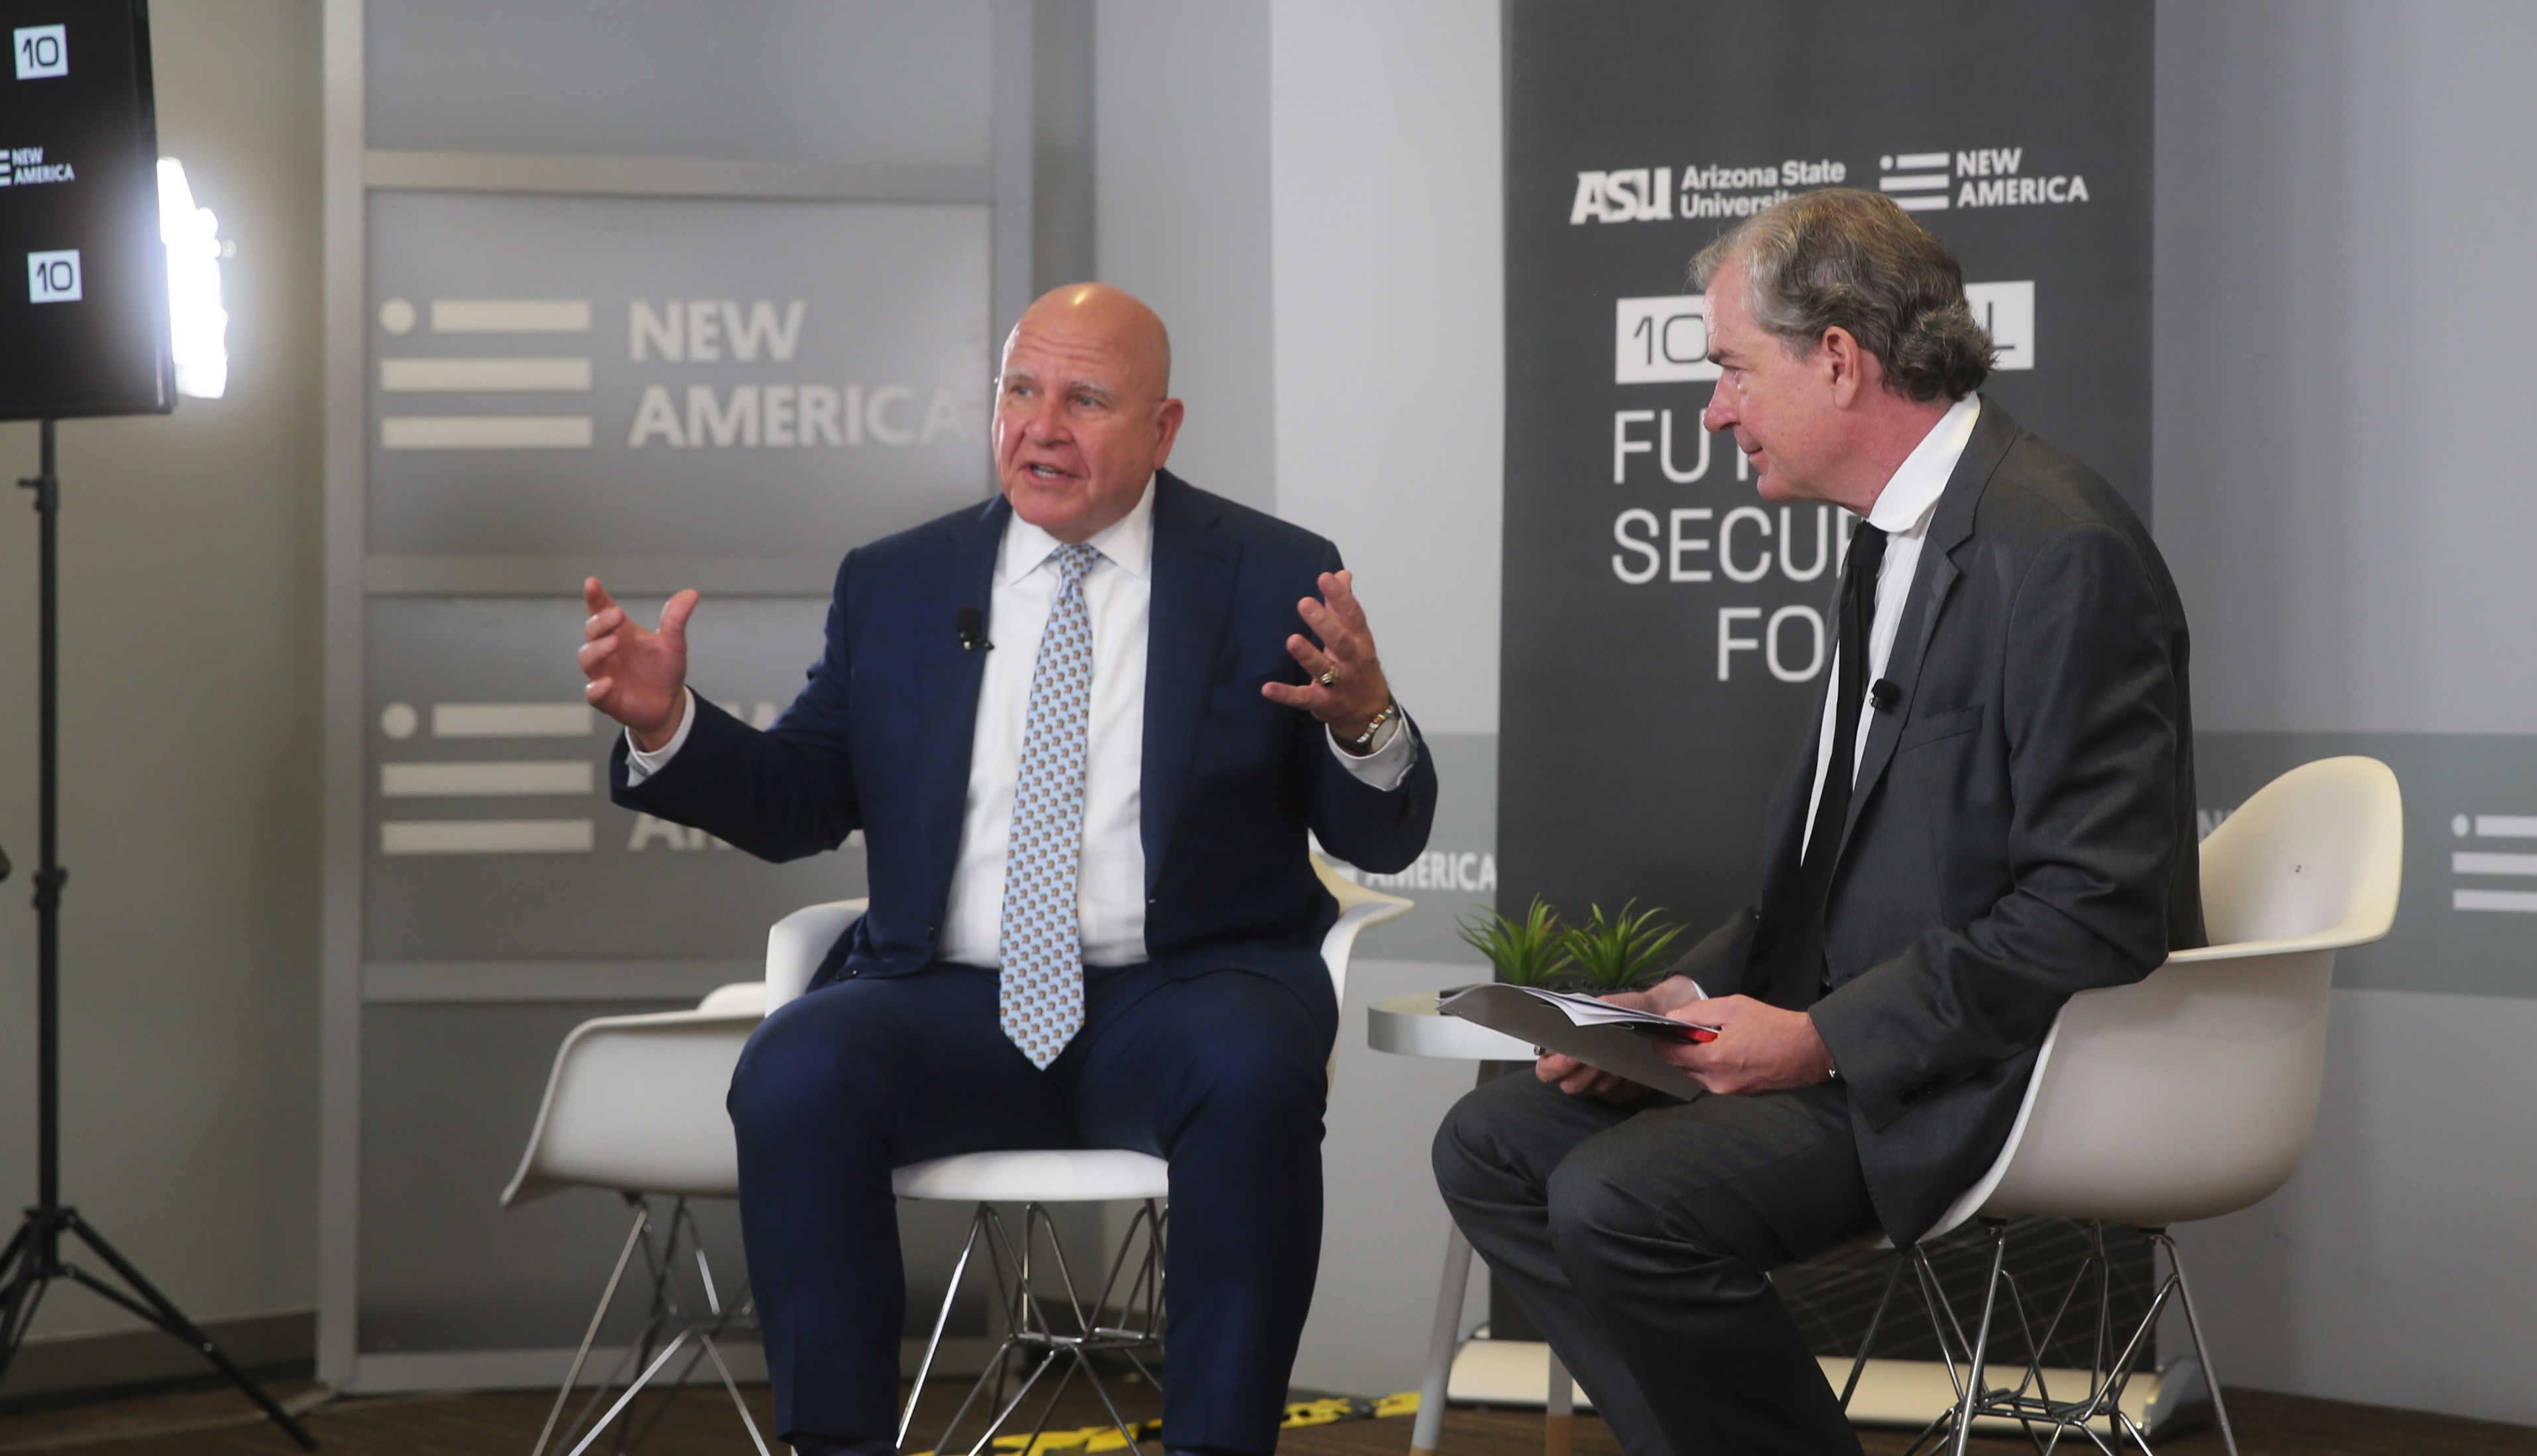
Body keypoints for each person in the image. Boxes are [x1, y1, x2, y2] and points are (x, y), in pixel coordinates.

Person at [576, 283, 1436, 1456]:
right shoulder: (899, 582)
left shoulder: (1272, 572)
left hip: (1184, 994)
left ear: (1164, 428)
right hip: (946, 1001)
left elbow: (1380, 836)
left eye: (1084, 398)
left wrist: (1368, 720)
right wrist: (670, 723)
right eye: (1020, 391)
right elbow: (799, 804)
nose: (1042, 426)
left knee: (1252, 1073)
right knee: (793, 1070)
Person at [1432, 189, 2201, 1456]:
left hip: (1981, 1071)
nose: (1713, 408)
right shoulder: (1888, 539)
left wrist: (1820, 1041)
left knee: (1619, 1197)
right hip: (1855, 1045)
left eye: (1732, 368)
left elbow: (2096, 910)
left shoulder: (2061, 551)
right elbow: (1832, 874)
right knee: (1495, 1142)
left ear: (1837, 358)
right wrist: (1681, 1001)